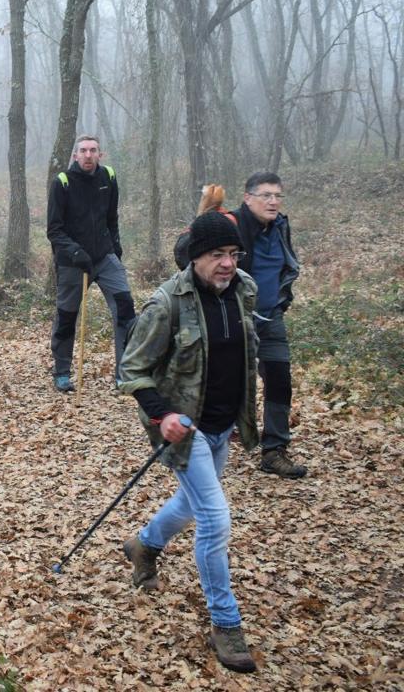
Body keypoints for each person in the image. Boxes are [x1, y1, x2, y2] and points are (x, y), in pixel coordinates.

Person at [118, 212, 261, 674]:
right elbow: (132, 371)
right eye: (217, 255)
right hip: (185, 429)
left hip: (223, 424)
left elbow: (241, 356)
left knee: (191, 502)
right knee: (216, 521)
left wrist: (242, 413)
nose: (227, 264)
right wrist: (163, 414)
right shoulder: (166, 304)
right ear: (196, 256)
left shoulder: (244, 292)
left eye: (233, 254)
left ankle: (144, 544)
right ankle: (226, 621)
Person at [46, 135, 135, 392]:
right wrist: (75, 253)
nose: (88, 155)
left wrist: (115, 249)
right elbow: (54, 230)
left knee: (126, 310)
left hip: (105, 258)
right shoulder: (62, 183)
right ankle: (62, 371)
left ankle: (125, 374)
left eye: (93, 150)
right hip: (73, 263)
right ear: (75, 155)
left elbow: (112, 218)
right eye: (83, 150)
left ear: (100, 154)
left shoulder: (108, 177)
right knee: (66, 316)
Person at [235, 171, 306, 479]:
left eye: (278, 195)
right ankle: (212, 437)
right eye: (266, 195)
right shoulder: (231, 225)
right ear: (248, 198)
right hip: (236, 318)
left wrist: (280, 302)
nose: (274, 201)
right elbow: (187, 255)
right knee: (230, 381)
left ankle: (274, 450)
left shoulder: (280, 227)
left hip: (271, 318)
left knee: (279, 379)